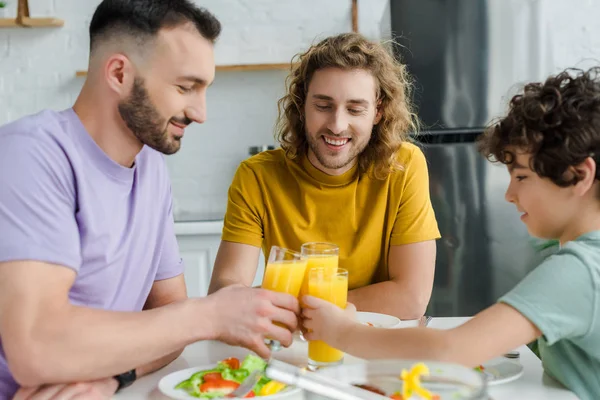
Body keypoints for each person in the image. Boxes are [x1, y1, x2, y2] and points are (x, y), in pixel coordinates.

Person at [0, 1, 299, 399]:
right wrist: (210, 314)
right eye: (185, 87)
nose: (200, 111)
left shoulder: (150, 169)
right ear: (120, 73)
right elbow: (37, 348)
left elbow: (168, 320)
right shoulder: (31, 155)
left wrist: (114, 375)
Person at [301, 67, 600, 400]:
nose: (509, 194)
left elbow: (449, 351)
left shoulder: (580, 271)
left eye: (522, 177)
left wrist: (338, 330)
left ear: (578, 175)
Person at [208, 33, 440, 320]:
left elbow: (411, 299)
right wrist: (327, 307)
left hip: (377, 345)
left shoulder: (404, 165)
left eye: (355, 109)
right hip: (293, 347)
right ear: (302, 104)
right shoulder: (257, 176)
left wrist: (295, 304)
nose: (337, 125)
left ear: (378, 112)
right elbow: (224, 294)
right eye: (323, 106)